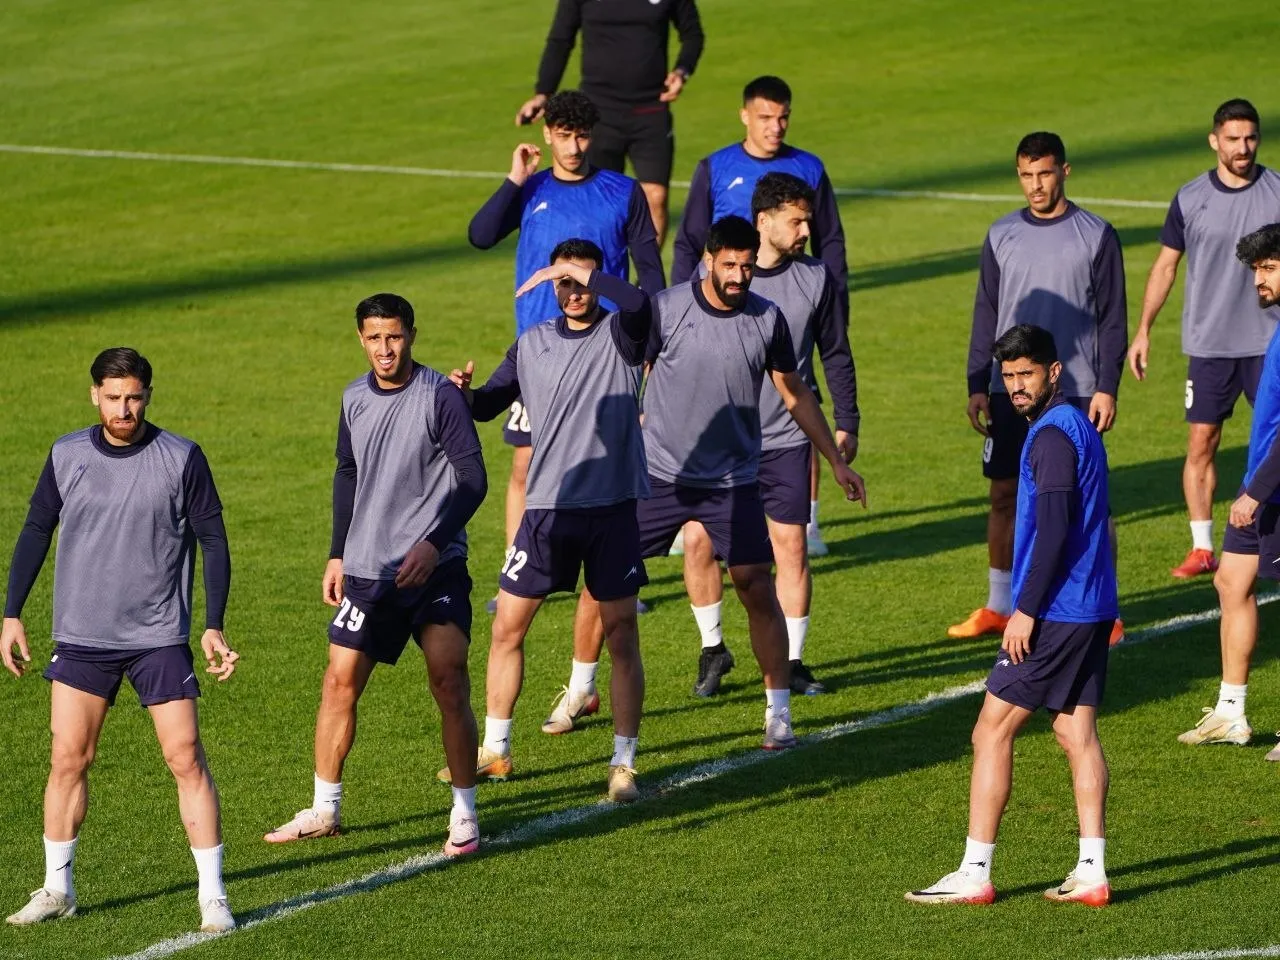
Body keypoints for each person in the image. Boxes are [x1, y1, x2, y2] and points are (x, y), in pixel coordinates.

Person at [2, 348, 239, 932]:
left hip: (158, 634)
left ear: (148, 395)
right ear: (94, 396)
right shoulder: (67, 454)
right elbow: (36, 528)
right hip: (83, 635)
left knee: (185, 756)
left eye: (133, 398)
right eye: (113, 398)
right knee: (68, 758)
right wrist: (11, 614)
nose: (124, 410)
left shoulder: (181, 457)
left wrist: (213, 623)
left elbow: (214, 540)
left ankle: (213, 895)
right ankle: (58, 888)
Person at [263, 294, 488, 857]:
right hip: (368, 570)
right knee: (338, 682)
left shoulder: (440, 396)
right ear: (361, 339)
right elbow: (347, 470)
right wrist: (337, 553)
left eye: (394, 336)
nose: (385, 348)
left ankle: (464, 811)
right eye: (374, 338)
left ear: (411, 334)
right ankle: (324, 808)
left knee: (448, 676)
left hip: (434, 569)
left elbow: (474, 478)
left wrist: (434, 544)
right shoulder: (354, 398)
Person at [908, 324, 1118, 908]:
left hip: (1055, 610)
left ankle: (974, 871)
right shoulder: (1076, 425)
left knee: (991, 729)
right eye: (1008, 377)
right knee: (1075, 731)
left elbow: (1054, 529)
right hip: (1091, 605)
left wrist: (1024, 610)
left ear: (1054, 372)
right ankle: (1092, 870)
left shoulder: (1050, 437)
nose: (1017, 386)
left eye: (1027, 373)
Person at [439, 240, 652, 801]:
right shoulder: (531, 343)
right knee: (507, 627)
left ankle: (623, 764)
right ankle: (495, 749)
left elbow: (639, 302)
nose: (574, 292)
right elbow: (489, 403)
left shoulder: (623, 334)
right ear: (554, 288)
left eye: (582, 280)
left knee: (621, 635)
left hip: (611, 509)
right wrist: (462, 395)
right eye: (564, 283)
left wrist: (578, 269)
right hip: (547, 510)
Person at [644, 215, 864, 748]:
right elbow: (632, 371)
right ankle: (582, 688)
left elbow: (795, 392)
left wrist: (835, 461)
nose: (739, 275)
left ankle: (778, 712)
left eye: (746, 266)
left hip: (733, 480)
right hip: (662, 474)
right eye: (730, 265)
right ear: (708, 261)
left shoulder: (767, 318)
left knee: (755, 585)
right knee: (606, 581)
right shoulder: (667, 308)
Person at [470, 90, 666, 614]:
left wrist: (652, 340)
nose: (574, 147)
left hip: (606, 351)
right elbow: (481, 235)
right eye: (564, 136)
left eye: (581, 136)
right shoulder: (532, 189)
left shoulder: (622, 191)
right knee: (525, 464)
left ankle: (613, 582)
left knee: (608, 459)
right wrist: (514, 179)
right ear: (547, 134)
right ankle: (515, 574)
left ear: (592, 135)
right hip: (538, 355)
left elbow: (649, 269)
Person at [952, 132, 1127, 645]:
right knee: (1003, 493)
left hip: (1076, 391)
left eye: (1045, 173)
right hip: (1008, 389)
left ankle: (1107, 610)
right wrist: (978, 383)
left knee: (1089, 501)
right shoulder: (1001, 233)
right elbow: (986, 311)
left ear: (1064, 172)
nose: (1035, 185)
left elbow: (1113, 318)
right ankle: (998, 606)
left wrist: (1107, 386)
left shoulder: (1096, 234)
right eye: (1026, 175)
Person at [672, 74, 851, 555]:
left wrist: (836, 301)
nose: (775, 127)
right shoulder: (716, 167)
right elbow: (689, 241)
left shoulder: (809, 167)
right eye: (766, 117)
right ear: (745, 116)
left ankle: (806, 520)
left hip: (795, 294)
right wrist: (680, 305)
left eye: (783, 117)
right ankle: (696, 516)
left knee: (797, 395)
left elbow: (831, 239)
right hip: (724, 302)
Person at [1127, 100, 1280, 579]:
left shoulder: (1278, 192)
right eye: (1233, 139)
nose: (1243, 147)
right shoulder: (1191, 197)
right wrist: (1144, 329)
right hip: (1210, 345)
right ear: (1215, 141)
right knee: (1201, 443)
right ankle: (1201, 546)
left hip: (1268, 342)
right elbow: (1165, 266)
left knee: (1274, 439)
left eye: (1250, 137)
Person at [1178, 223, 1280, 755]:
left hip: (1271, 488)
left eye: (1269, 268)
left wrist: (1256, 490)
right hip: (1262, 482)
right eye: (1256, 269)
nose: (1258, 279)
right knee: (1230, 582)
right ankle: (1230, 712)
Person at [515, 0, 705, 246]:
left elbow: (692, 34)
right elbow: (561, 39)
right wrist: (543, 93)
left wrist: (681, 71)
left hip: (651, 109)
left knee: (655, 197)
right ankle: (604, 269)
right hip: (598, 113)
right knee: (599, 202)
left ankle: (646, 271)